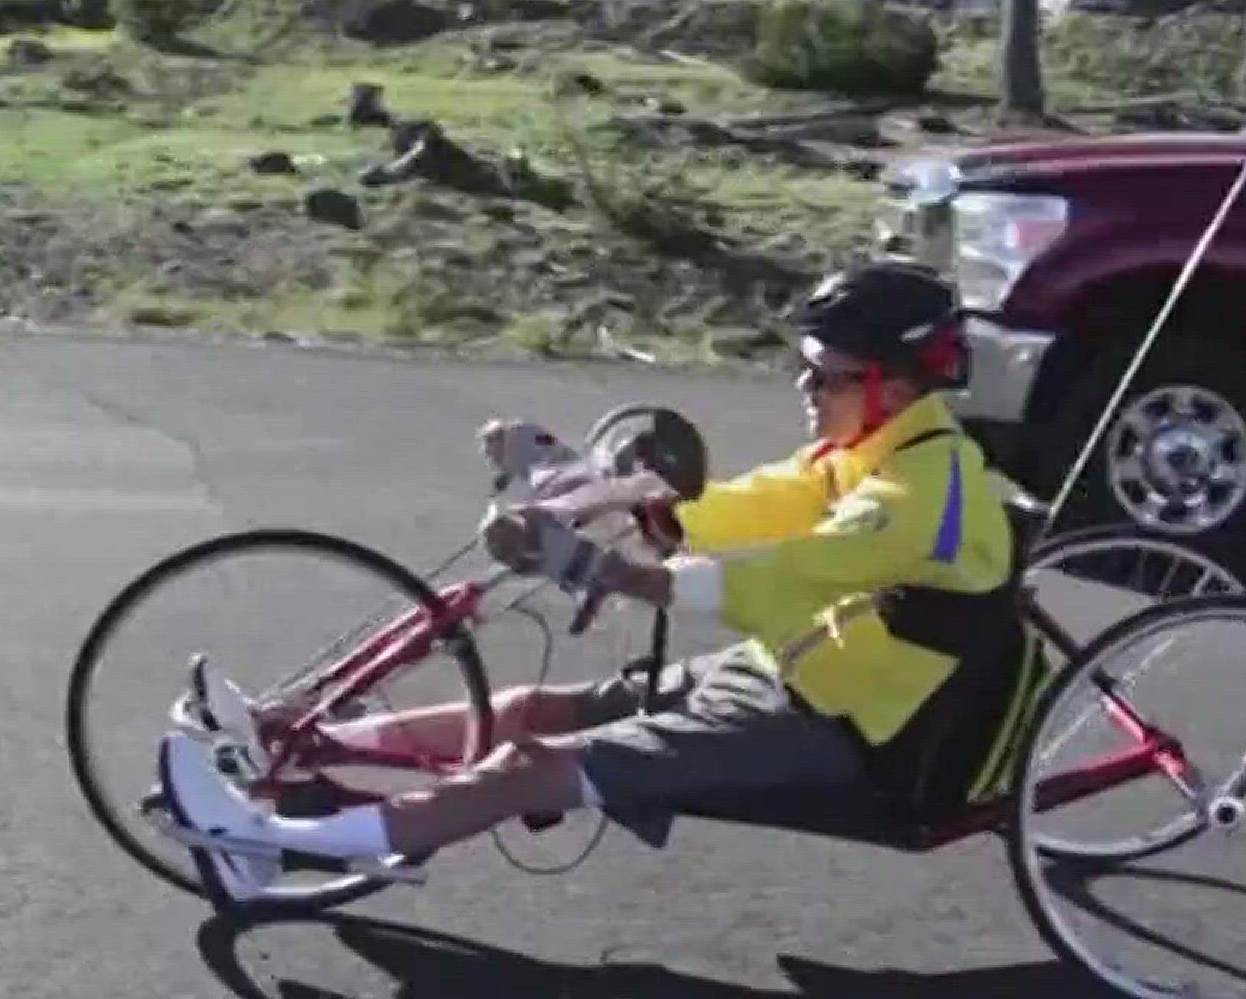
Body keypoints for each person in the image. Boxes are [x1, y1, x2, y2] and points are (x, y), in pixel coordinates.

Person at [156, 260, 1051, 907]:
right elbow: (738, 508)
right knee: (524, 709)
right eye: (806, 366)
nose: (805, 387)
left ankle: (272, 845)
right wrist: (588, 478)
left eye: (828, 375)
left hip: (841, 728)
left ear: (894, 386)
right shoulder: (870, 453)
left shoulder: (919, 496)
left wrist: (605, 571)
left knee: (529, 767)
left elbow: (764, 577)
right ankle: (294, 745)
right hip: (793, 671)